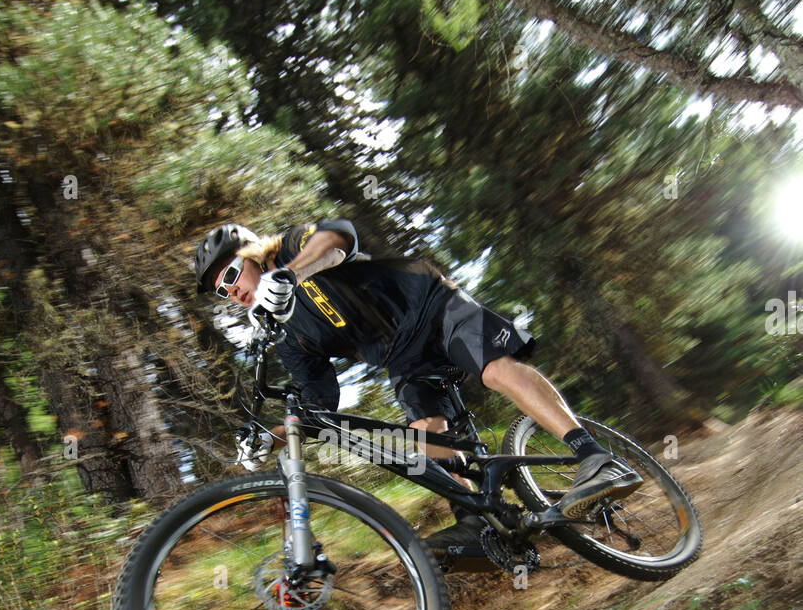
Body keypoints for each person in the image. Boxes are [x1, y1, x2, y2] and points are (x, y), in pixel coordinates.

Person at [194, 217, 642, 558]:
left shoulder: (291, 248)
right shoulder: (288, 334)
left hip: (429, 304)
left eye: (231, 276)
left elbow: (337, 239)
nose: (230, 292)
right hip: (403, 359)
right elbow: (319, 404)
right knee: (424, 443)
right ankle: (480, 526)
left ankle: (594, 458)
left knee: (492, 368)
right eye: (221, 292)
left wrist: (291, 274)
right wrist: (269, 437)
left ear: (252, 255)